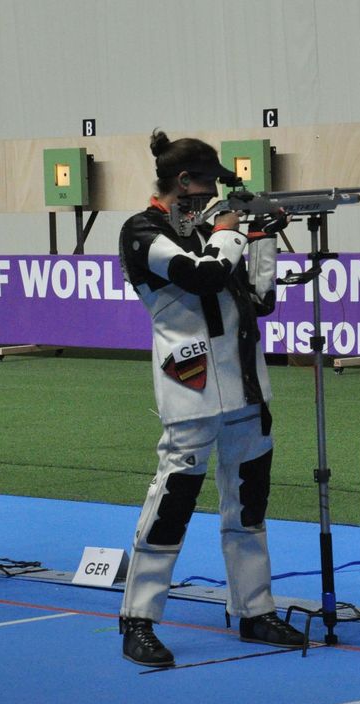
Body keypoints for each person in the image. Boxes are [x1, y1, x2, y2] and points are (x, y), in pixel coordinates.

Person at [115, 131, 303, 666]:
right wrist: (228, 231)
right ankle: (139, 620)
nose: (214, 197)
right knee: (171, 506)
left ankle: (254, 609)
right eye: (207, 185)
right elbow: (203, 276)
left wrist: (261, 237)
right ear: (184, 183)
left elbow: (260, 301)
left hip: (246, 387)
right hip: (191, 389)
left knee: (248, 508)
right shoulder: (141, 232)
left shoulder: (211, 232)